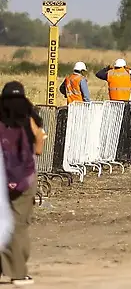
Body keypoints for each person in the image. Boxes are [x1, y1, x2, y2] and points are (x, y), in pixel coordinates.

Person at [0, 81, 45, 286]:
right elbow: (38, 147)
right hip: (24, 179)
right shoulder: (29, 119)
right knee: (19, 225)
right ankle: (18, 272)